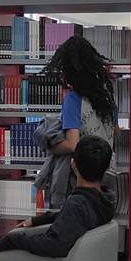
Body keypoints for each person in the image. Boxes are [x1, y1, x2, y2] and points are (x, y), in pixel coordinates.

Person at [40, 36, 116, 207]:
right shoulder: (106, 98)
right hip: (105, 170)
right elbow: (115, 130)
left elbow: (72, 144)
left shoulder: (73, 99)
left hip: (81, 177)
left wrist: (50, 147)